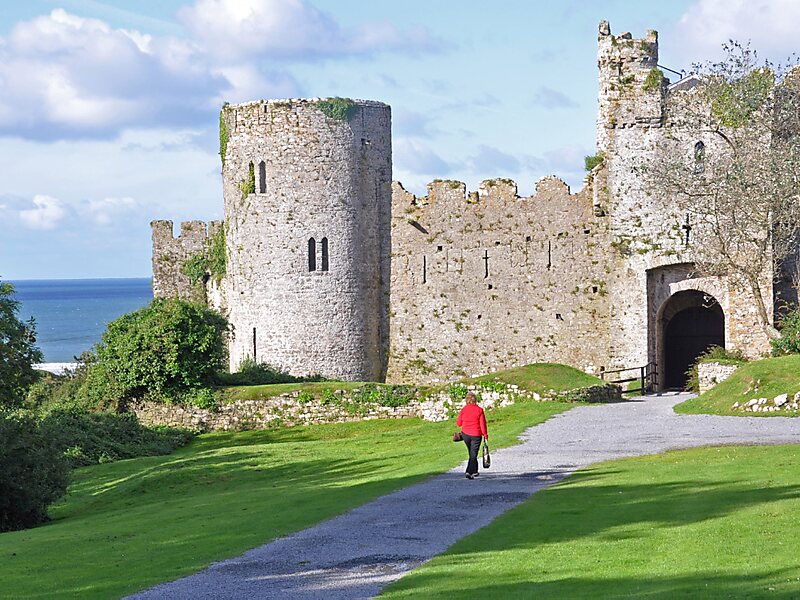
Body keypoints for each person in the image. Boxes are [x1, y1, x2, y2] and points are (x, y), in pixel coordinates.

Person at [456, 391, 488, 480]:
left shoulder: (464, 410)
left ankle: (475, 471)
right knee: (473, 453)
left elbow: (459, 423)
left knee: (472, 452)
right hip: (476, 435)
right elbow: (483, 424)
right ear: (475, 400)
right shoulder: (479, 410)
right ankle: (469, 471)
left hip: (465, 434)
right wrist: (485, 435)